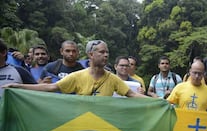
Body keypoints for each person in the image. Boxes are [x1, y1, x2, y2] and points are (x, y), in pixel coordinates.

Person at [2, 40, 147, 98]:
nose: (106, 55)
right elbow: (52, 88)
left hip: (104, 126)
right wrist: (18, 86)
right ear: (90, 54)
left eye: (107, 52)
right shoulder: (78, 76)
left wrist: (159, 102)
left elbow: (132, 95)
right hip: (80, 124)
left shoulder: (113, 79)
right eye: (102, 52)